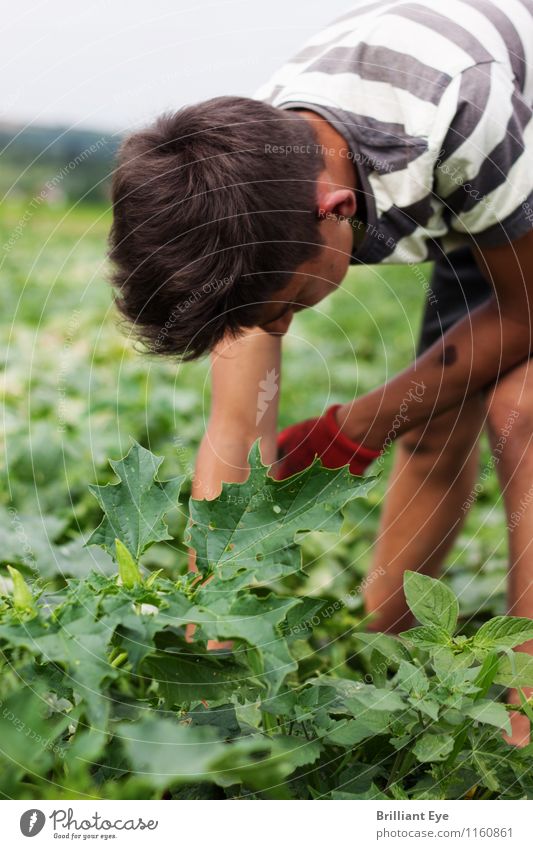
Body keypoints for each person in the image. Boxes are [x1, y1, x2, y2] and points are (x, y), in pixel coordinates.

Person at [109, 0, 533, 745]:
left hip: (504, 160)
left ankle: (522, 721)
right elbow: (236, 430)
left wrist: (352, 428)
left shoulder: (466, 106)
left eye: (285, 308)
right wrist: (217, 630)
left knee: (519, 412)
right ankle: (393, 670)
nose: (276, 328)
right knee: (432, 425)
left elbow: (523, 310)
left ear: (334, 211)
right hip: (473, 198)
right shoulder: (247, 181)